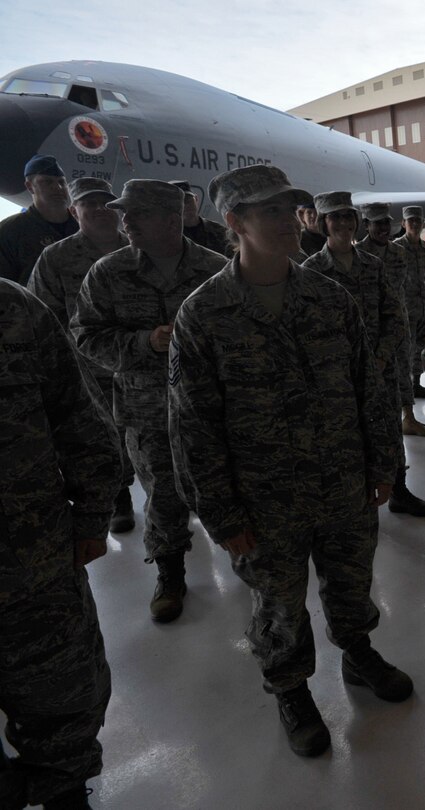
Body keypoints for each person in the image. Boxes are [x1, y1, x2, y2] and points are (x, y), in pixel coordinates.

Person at [168, 165, 411, 759]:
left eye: (290, 209)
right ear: (234, 223)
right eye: (269, 211)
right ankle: (291, 687)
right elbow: (192, 429)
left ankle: (357, 652)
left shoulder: (330, 300)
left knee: (352, 581)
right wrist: (222, 516)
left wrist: (384, 465)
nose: (287, 221)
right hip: (263, 498)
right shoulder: (204, 316)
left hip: (343, 482)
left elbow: (369, 389)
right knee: (278, 603)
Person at [70, 180, 225, 623]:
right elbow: (84, 335)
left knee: (221, 482)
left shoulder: (215, 269)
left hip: (210, 408)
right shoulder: (108, 272)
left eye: (136, 214)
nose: (125, 222)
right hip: (146, 408)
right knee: (162, 493)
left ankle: (245, 554)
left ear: (170, 220)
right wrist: (144, 343)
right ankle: (169, 572)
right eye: (125, 213)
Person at [0, 278, 120, 810]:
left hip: (32, 558)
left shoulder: (14, 309)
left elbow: (76, 414)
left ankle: (65, 792)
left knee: (63, 690)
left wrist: (94, 515)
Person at [303, 194, 425, 517]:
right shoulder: (312, 270)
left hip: (380, 368)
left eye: (349, 217)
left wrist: (380, 356)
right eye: (336, 218)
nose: (344, 224)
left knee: (388, 430)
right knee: (344, 434)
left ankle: (398, 489)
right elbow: (306, 328)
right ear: (323, 223)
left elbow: (395, 316)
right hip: (337, 374)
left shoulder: (373, 265)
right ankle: (350, 498)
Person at [26, 178, 136, 535]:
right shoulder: (56, 257)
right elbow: (42, 315)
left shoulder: (137, 249)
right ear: (74, 211)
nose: (101, 211)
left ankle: (169, 502)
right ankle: (120, 498)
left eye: (107, 204)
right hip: (87, 369)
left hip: (139, 363)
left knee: (151, 434)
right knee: (104, 439)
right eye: (90, 205)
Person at [360, 202, 425, 440]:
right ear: (366, 225)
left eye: (385, 222)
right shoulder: (359, 255)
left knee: (403, 370)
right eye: (377, 223)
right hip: (370, 326)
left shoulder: (397, 253)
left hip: (398, 321)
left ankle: (408, 418)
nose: (383, 228)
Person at [0, 155, 79, 285]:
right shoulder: (10, 231)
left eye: (61, 182)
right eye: (47, 182)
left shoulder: (83, 226)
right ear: (30, 187)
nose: (58, 188)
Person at [392, 205, 425, 399]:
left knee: (420, 347)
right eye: (411, 221)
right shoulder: (395, 248)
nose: (415, 224)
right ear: (403, 223)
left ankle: (416, 384)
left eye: (418, 221)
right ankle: (402, 388)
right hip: (404, 307)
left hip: (423, 306)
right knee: (403, 349)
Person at [170, 180, 231, 256]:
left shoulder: (219, 231)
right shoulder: (169, 235)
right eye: (180, 202)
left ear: (196, 199)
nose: (185, 205)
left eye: (188, 199)